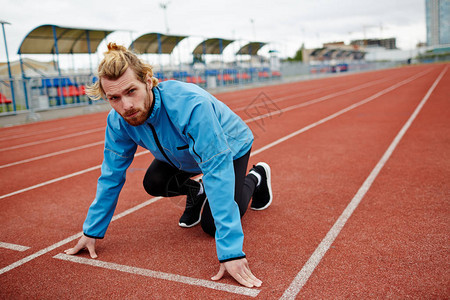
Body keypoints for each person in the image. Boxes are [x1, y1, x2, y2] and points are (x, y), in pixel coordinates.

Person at [65, 43, 273, 288]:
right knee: (153, 182)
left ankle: (256, 177)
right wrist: (91, 231)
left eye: (131, 91)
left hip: (228, 148)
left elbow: (216, 169)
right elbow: (111, 176)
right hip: (180, 156)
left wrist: (231, 253)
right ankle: (198, 189)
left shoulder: (191, 106)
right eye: (114, 98)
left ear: (149, 82)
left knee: (212, 225)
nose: (126, 106)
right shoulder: (119, 121)